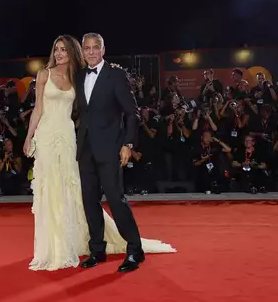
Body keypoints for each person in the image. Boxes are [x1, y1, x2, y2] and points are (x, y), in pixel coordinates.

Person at [25, 34, 174, 273]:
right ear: (82, 51)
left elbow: (131, 113)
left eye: (96, 47)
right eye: (87, 48)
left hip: (110, 149)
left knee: (116, 200)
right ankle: (97, 250)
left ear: (103, 49)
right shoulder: (79, 75)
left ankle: (135, 249)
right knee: (89, 201)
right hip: (83, 148)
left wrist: (128, 144)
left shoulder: (116, 74)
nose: (92, 52)